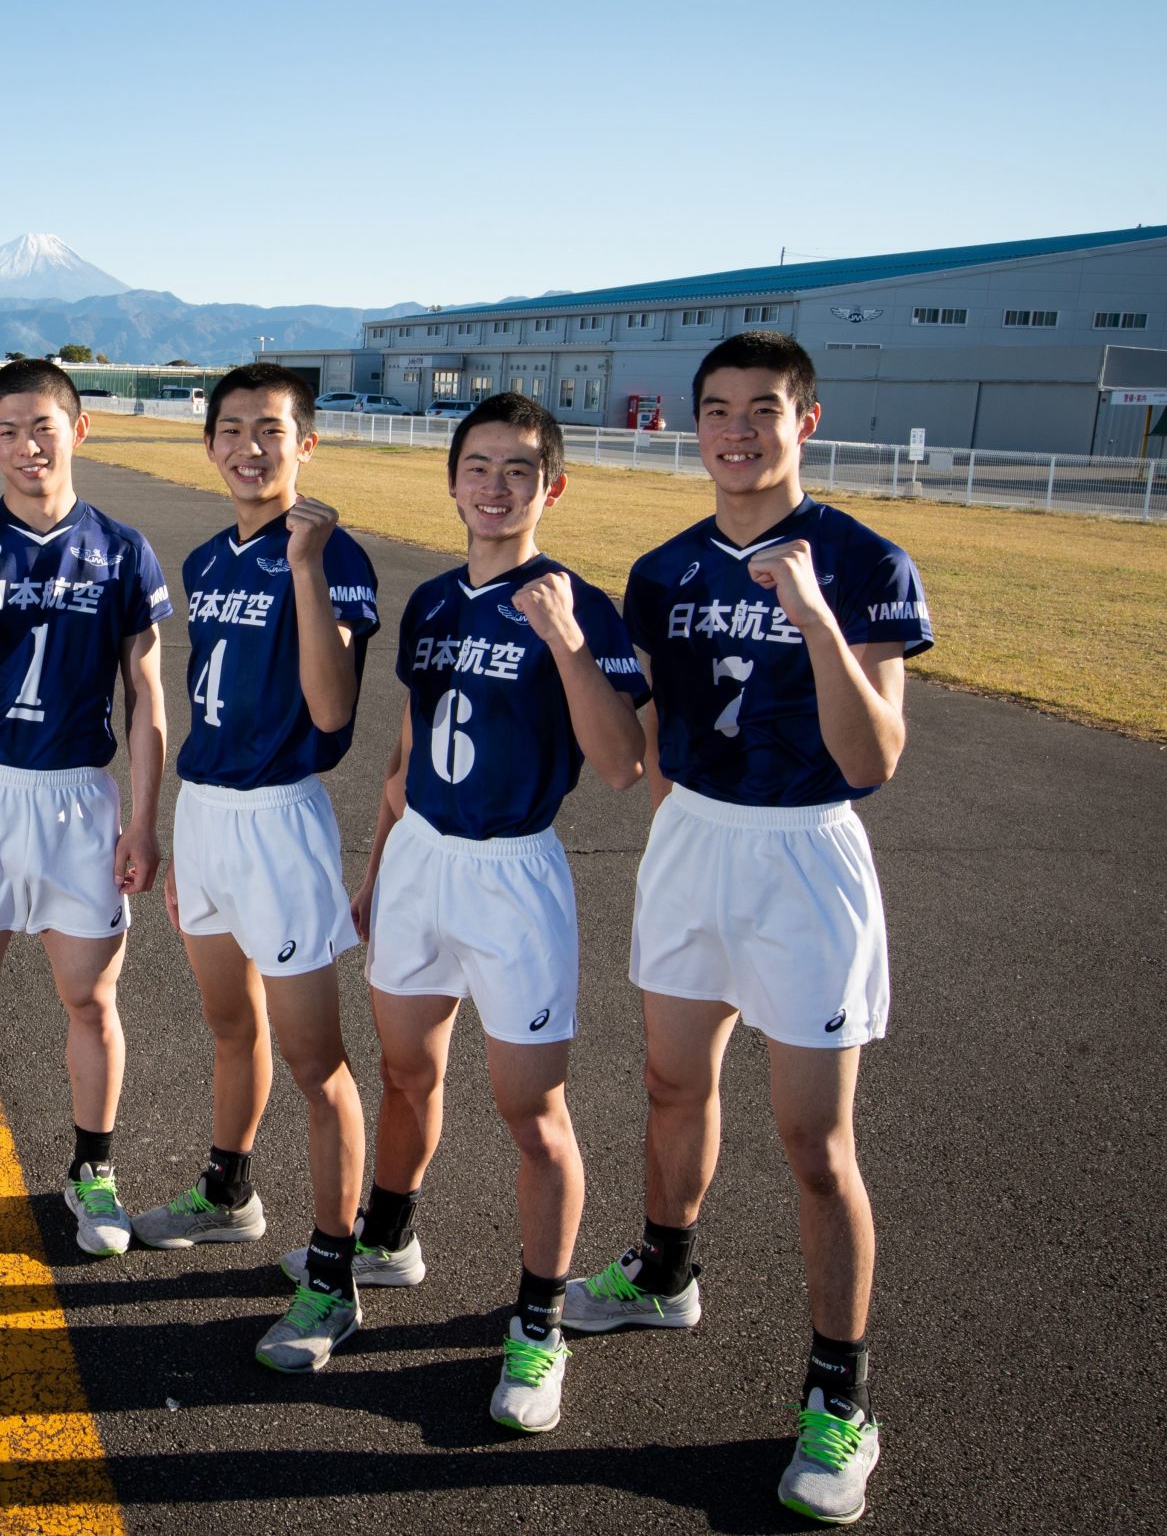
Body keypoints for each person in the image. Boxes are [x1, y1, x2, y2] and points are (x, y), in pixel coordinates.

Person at [563, 331, 930, 1525]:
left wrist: (814, 615)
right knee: (672, 1084)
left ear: (804, 421)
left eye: (760, 409)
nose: (734, 429)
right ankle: (666, 1268)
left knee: (816, 1148)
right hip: (694, 846)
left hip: (807, 855)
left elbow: (872, 758)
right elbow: (646, 744)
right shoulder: (662, 571)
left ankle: (840, 1396)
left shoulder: (867, 560)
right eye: (715, 408)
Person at [337, 393, 646, 1431]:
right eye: (479, 466)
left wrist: (561, 638)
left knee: (530, 1112)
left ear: (551, 486)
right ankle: (387, 1239)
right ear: (453, 480)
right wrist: (379, 866)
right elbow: (407, 749)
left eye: (520, 469)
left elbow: (620, 764)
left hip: (514, 872)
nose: (496, 486)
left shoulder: (583, 606)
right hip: (420, 859)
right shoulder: (426, 601)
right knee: (403, 1072)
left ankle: (538, 1324)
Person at [124, 363, 381, 1373]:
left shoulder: (333, 552)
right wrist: (185, 823)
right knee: (231, 1026)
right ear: (209, 442)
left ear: (304, 442)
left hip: (280, 822)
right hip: (211, 813)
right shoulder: (207, 554)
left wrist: (308, 565)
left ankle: (332, 1273)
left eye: (269, 430)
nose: (248, 447)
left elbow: (329, 714)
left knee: (318, 1063)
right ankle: (229, 1192)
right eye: (230, 429)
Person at [0, 359, 171, 1254]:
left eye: (43, 426)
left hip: (79, 799)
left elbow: (148, 700)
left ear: (77, 430)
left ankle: (93, 1168)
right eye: (7, 431)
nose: (26, 446)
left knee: (89, 1000)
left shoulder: (122, 549)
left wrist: (143, 818)